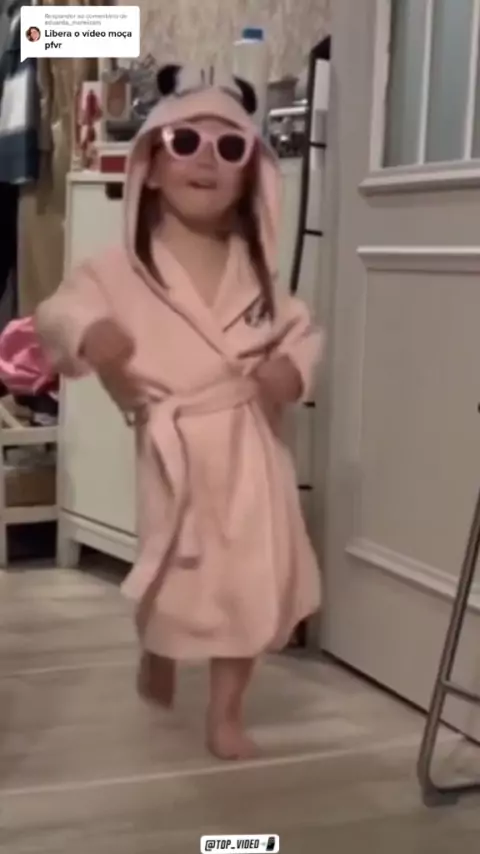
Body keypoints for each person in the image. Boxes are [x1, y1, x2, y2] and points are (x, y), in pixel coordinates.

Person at [35, 64, 323, 760]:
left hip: (251, 449)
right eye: (185, 141)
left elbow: (300, 330)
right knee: (175, 580)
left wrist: (291, 369)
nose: (206, 158)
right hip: (176, 451)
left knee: (251, 585)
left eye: (230, 148)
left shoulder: (256, 274)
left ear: (251, 176)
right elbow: (58, 309)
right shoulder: (120, 268)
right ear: (153, 169)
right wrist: (89, 333)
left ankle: (227, 714)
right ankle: (158, 651)